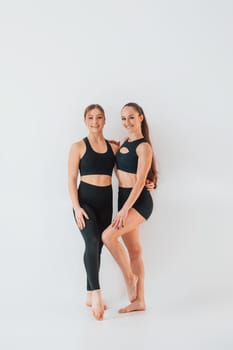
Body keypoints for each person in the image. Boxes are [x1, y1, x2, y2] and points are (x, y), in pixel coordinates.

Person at [102, 102, 157, 314]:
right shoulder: (125, 141)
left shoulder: (144, 147)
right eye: (123, 118)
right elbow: (122, 169)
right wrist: (112, 145)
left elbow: (141, 180)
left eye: (131, 117)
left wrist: (125, 210)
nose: (127, 122)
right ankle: (139, 301)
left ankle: (129, 278)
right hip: (124, 199)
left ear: (141, 117)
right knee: (135, 251)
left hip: (138, 203)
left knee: (108, 237)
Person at [68, 104, 118, 320]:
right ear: (85, 121)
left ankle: (89, 294)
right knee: (91, 242)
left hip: (106, 201)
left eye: (99, 117)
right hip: (84, 202)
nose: (95, 122)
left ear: (105, 120)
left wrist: (149, 181)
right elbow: (71, 179)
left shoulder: (113, 148)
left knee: (97, 246)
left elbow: (125, 173)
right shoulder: (78, 146)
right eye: (91, 118)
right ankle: (97, 294)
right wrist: (77, 207)